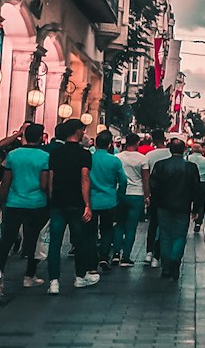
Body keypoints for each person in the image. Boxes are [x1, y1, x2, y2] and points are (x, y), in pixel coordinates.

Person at [46, 119, 99, 293]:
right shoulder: (84, 154)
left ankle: (54, 281)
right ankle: (79, 276)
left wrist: (52, 197)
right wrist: (87, 204)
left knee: (55, 242)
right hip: (76, 202)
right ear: (77, 131)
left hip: (58, 202)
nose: (84, 133)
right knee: (79, 239)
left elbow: (51, 178)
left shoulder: (55, 153)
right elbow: (85, 178)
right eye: (82, 130)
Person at [0, 121, 50, 295]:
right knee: (32, 240)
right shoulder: (44, 157)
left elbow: (6, 182)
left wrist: (3, 199)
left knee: (6, 239)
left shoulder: (13, 155)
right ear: (40, 138)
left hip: (14, 202)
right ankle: (29, 276)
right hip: (36, 203)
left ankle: (0, 276)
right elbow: (44, 184)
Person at [149, 138, 201, 281]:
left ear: (169, 149)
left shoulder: (160, 165)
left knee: (165, 236)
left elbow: (153, 185)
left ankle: (166, 266)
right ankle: (175, 260)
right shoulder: (191, 167)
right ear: (184, 150)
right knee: (179, 235)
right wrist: (196, 208)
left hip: (163, 206)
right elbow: (196, 189)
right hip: (183, 206)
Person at [89, 130, 127, 269]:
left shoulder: (89, 159)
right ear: (109, 144)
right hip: (109, 199)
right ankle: (104, 256)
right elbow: (123, 180)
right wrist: (119, 195)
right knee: (107, 229)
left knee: (91, 230)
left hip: (91, 200)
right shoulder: (114, 161)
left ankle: (92, 257)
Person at [115, 131, 150, 266]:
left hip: (121, 193)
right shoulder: (142, 159)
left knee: (119, 224)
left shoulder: (118, 157)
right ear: (137, 143)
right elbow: (145, 178)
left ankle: (116, 254)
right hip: (137, 194)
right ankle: (126, 256)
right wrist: (147, 195)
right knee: (131, 227)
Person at [144, 130, 171, 267]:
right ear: (165, 139)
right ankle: (157, 254)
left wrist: (146, 194)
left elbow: (146, 176)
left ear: (153, 140)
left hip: (154, 193)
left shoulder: (149, 155)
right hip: (169, 193)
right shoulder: (171, 154)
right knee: (164, 225)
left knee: (153, 223)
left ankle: (149, 252)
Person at [187, 139, 205, 232]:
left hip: (190, 183)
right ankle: (198, 222)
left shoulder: (187, 158)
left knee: (187, 202)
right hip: (202, 184)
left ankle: (187, 220)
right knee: (201, 204)